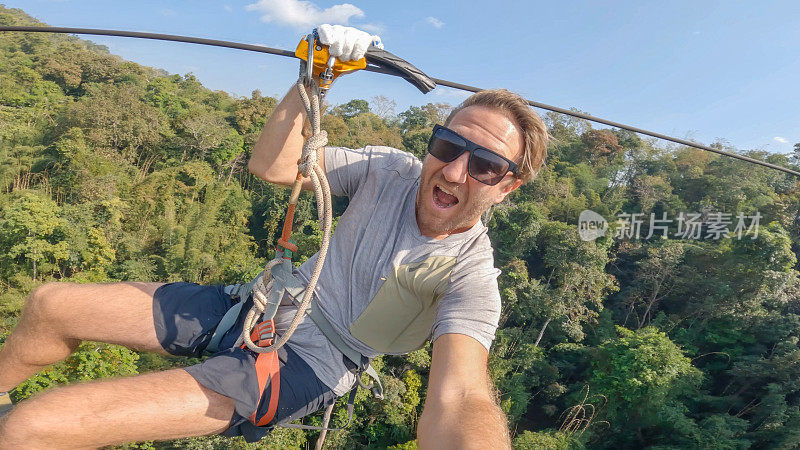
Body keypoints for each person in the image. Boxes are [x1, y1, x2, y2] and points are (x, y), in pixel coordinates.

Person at [0, 24, 547, 449]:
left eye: (485, 166)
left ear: (510, 187)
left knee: (34, 426)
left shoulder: (469, 275)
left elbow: (460, 396)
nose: (453, 172)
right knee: (51, 306)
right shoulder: (390, 170)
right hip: (257, 305)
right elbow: (275, 165)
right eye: (448, 147)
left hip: (306, 365)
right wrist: (312, 77)